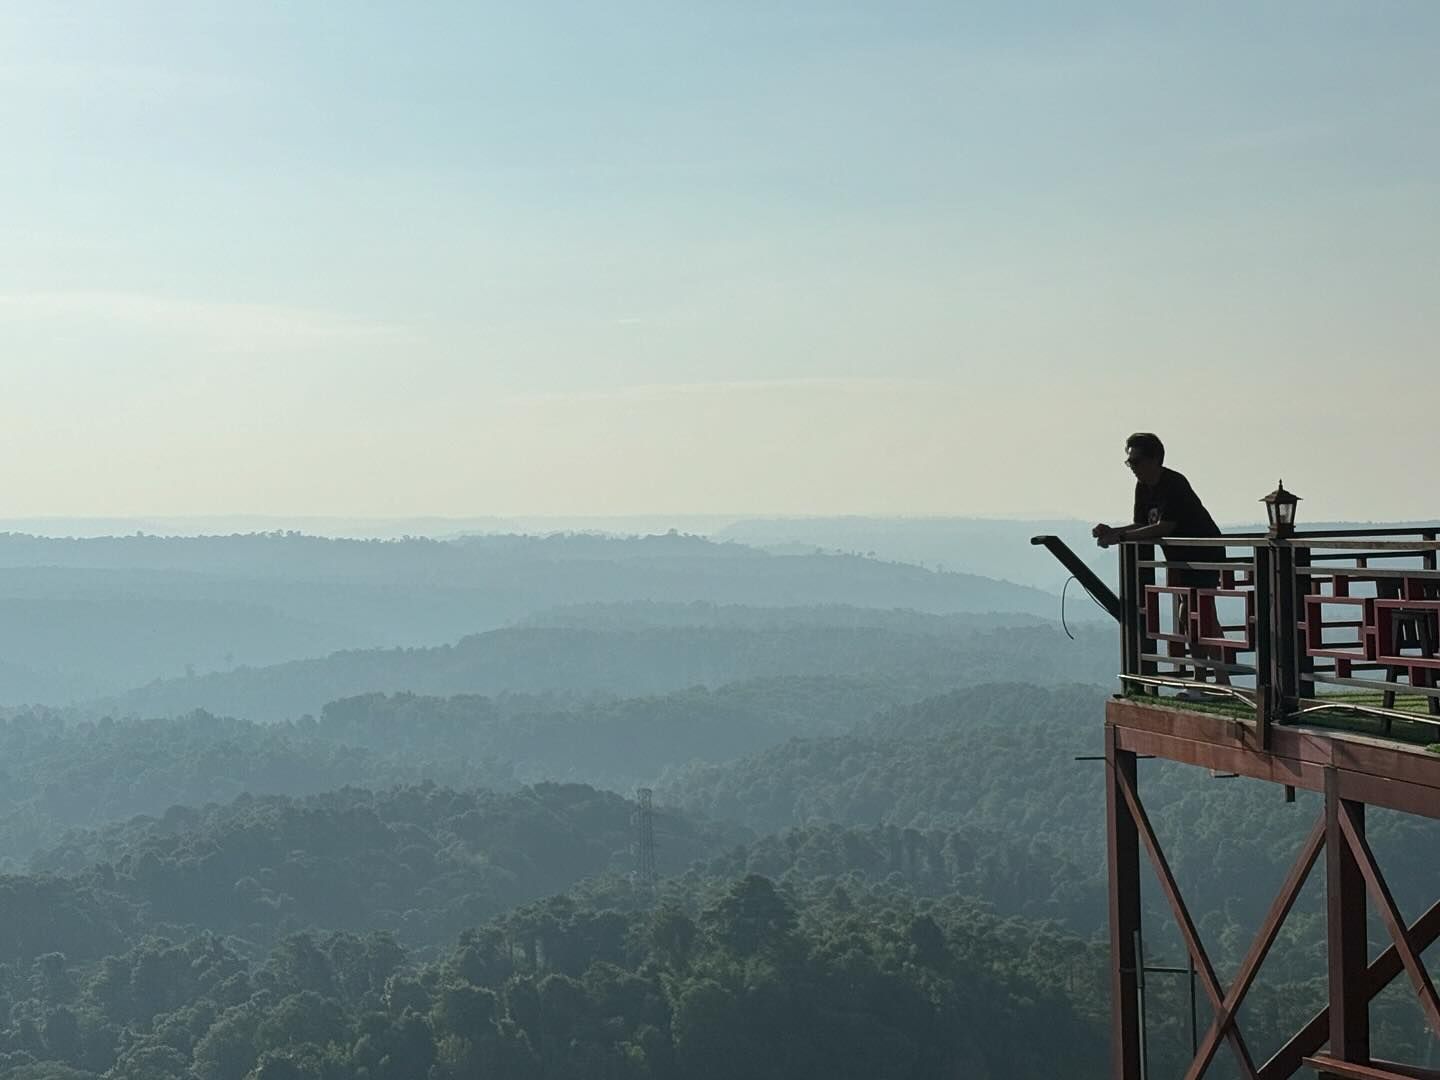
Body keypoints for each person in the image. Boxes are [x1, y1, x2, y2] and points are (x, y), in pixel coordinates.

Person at [1092, 433, 1230, 689]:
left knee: (1198, 615)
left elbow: (1164, 526)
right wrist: (1112, 532)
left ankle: (1213, 682)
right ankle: (1213, 682)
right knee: (1195, 616)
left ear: (1155, 459)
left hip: (1203, 554)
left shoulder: (1173, 483)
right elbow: (1143, 524)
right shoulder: (1143, 488)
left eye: (1137, 460)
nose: (1132, 467)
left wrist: (1120, 537)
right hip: (1181, 559)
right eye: (1129, 462)